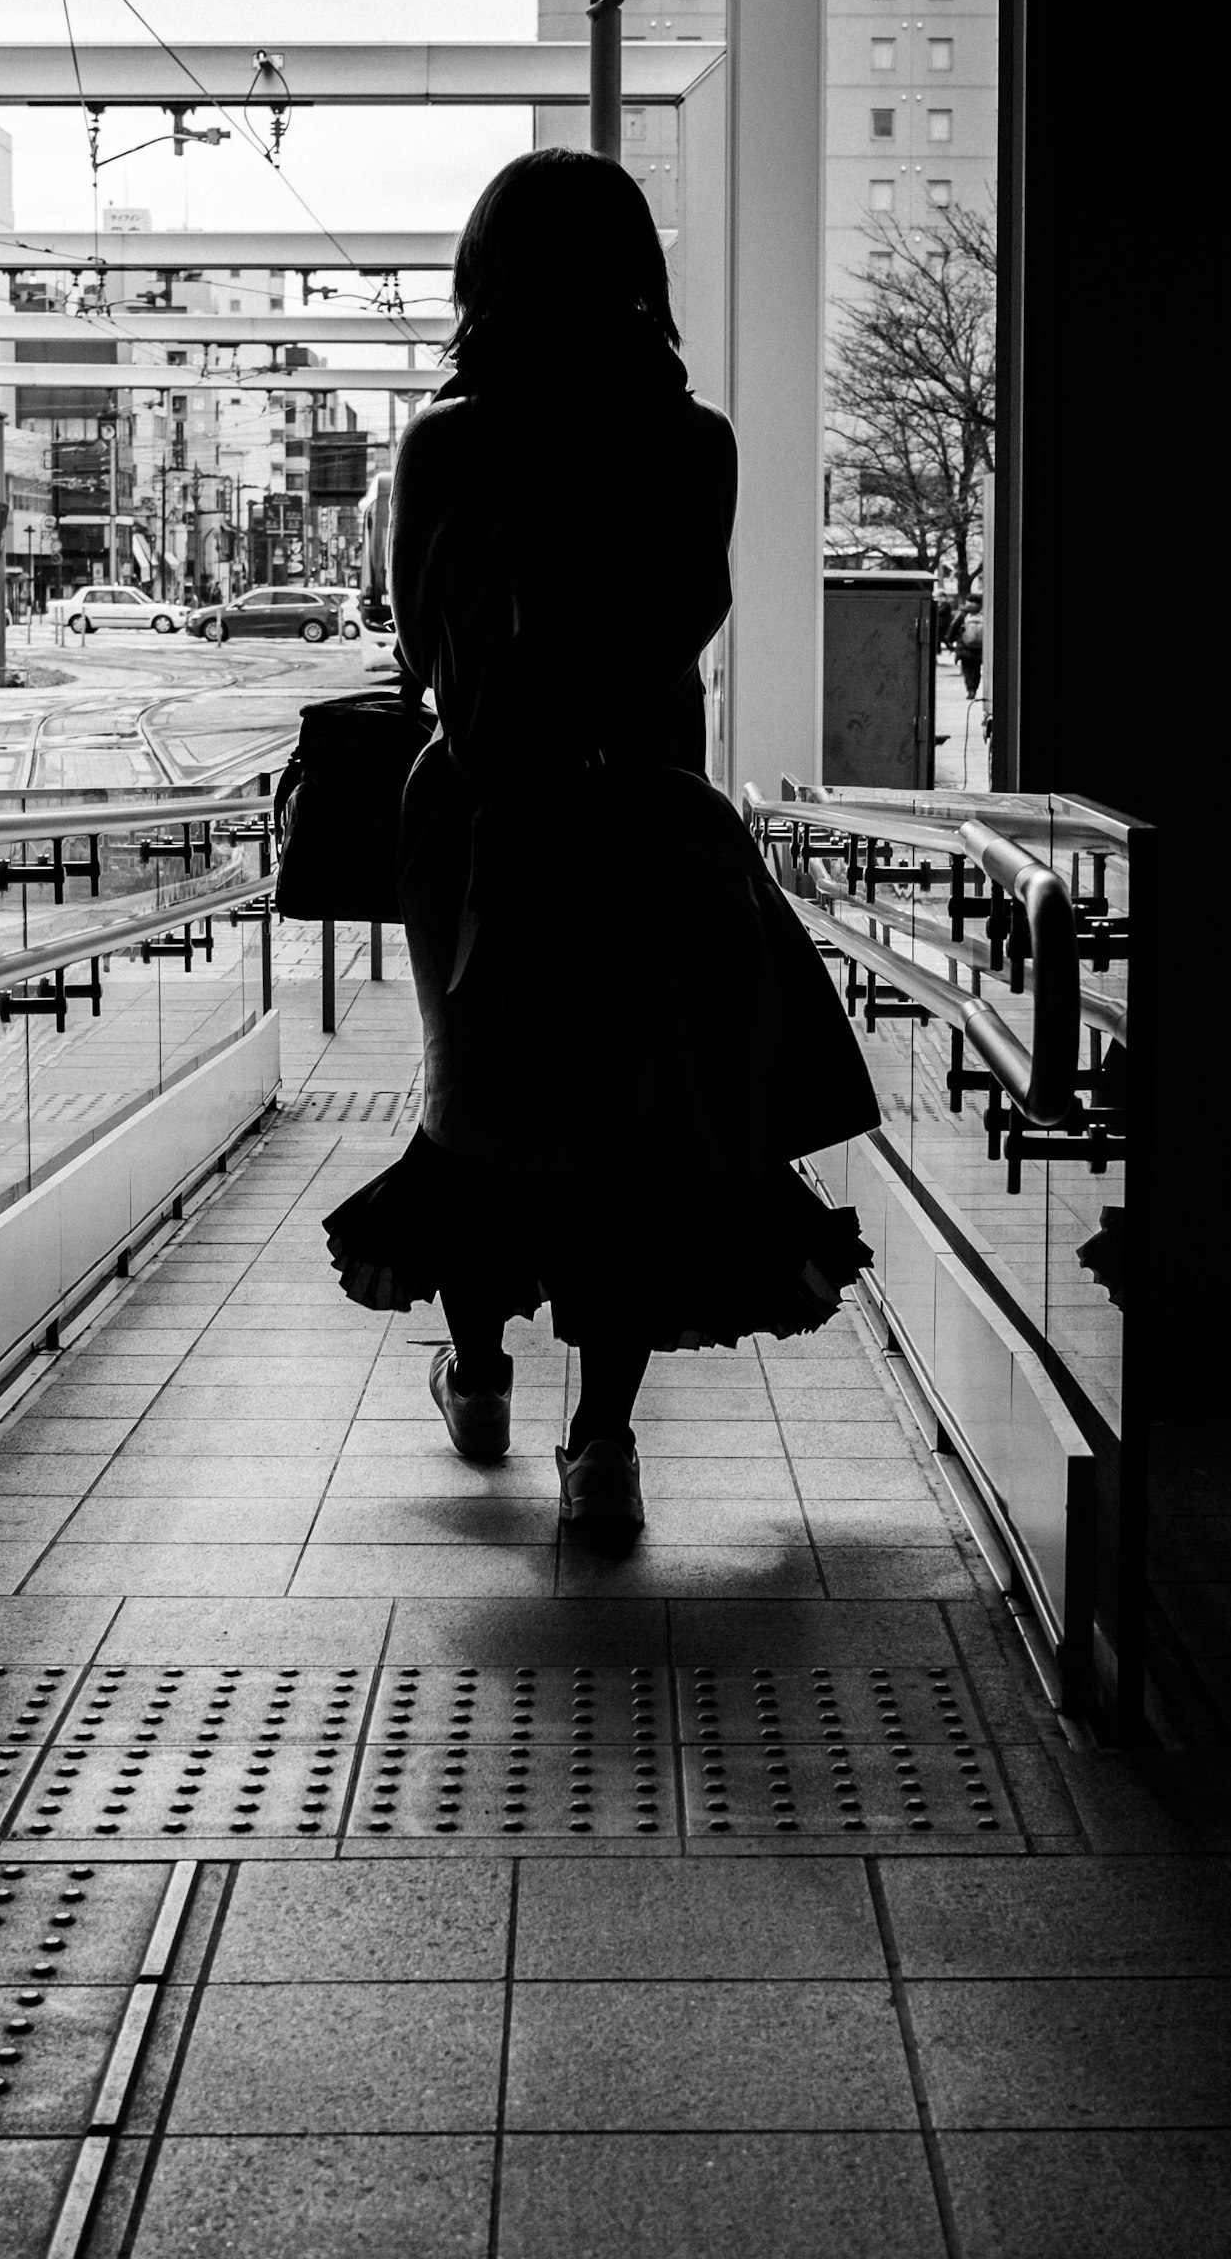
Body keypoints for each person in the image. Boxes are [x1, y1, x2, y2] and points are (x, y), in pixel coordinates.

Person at [320, 150, 880, 1537]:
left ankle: (483, 1373)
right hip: (646, 813)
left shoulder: (444, 442)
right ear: (642, 272)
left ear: (482, 273)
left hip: (482, 822)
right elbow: (684, 621)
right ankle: (605, 1449)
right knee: (634, 1125)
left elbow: (415, 641)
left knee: (482, 1107)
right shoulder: (695, 443)